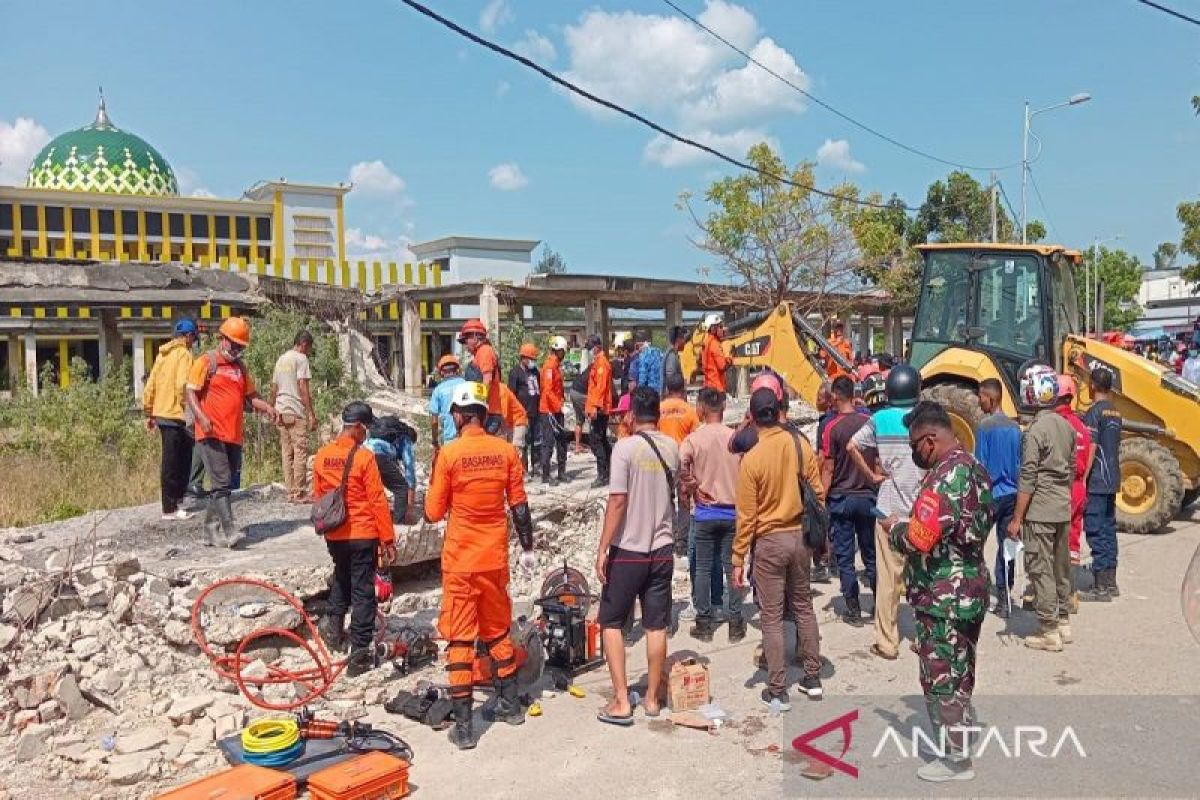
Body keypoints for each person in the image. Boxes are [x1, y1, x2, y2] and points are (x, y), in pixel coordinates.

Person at [424, 381, 536, 749]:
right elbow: (519, 506)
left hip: (461, 562)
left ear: (458, 414)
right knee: (498, 632)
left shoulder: (450, 454)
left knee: (460, 638)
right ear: (484, 415)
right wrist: (528, 547)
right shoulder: (505, 451)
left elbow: (433, 511)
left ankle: (466, 727)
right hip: (494, 559)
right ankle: (509, 705)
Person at [886, 401, 992, 783]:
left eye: (916, 444)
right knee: (961, 671)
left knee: (941, 675)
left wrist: (895, 529)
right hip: (971, 588)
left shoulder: (946, 477)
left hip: (944, 594)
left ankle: (954, 759)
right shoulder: (976, 468)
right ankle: (958, 743)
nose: (915, 452)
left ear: (930, 440)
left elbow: (919, 538)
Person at [734, 387, 826, 709]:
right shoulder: (800, 445)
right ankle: (812, 678)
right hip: (800, 538)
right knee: (803, 606)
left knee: (771, 617)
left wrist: (737, 558)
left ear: (752, 417)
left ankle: (777, 689)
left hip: (769, 542)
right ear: (778, 411)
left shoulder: (752, 459)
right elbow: (818, 491)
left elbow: (746, 516)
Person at [594, 387, 679, 725]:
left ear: (630, 416)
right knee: (656, 624)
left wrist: (603, 547)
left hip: (629, 550)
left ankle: (620, 700)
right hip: (662, 549)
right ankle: (653, 699)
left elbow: (617, 501)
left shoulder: (624, 450)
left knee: (611, 622)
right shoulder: (673, 447)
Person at [846, 364, 925, 660]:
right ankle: (925, 638)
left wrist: (870, 476)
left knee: (889, 580)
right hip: (921, 511)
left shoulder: (879, 419)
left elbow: (852, 446)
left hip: (889, 508)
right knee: (923, 577)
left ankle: (887, 642)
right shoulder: (926, 416)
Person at [313, 402, 396, 675]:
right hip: (362, 534)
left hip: (334, 533)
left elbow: (319, 496)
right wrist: (388, 539)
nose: (367, 435)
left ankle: (333, 628)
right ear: (359, 427)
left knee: (342, 576)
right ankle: (359, 654)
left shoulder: (323, 455)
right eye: (366, 429)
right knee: (363, 592)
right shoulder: (364, 458)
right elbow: (377, 500)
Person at [186, 317, 278, 548]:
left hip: (233, 434)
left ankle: (209, 530)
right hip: (210, 433)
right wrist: (202, 418)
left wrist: (267, 407)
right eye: (234, 344)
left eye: (241, 346)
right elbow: (190, 393)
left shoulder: (240, 369)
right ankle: (229, 531)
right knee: (222, 481)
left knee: (223, 484)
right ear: (223, 339)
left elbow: (252, 396)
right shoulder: (206, 362)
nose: (237, 349)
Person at [1008, 363, 1076, 651]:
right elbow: (1072, 468)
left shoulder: (1035, 431)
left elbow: (1028, 477)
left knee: (1040, 568)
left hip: (1040, 510)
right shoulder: (1066, 426)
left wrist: (1016, 518)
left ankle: (1048, 630)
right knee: (1061, 567)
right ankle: (1062, 621)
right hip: (1062, 506)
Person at [679, 388, 744, 643]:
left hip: (705, 513)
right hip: (732, 513)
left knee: (703, 568)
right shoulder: (735, 438)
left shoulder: (694, 440)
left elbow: (680, 464)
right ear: (724, 408)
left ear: (701, 409)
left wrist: (692, 485)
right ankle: (736, 622)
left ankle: (704, 623)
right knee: (732, 567)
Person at [821, 375, 878, 626]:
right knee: (871, 553)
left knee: (844, 556)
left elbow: (828, 468)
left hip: (842, 498)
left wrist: (821, 498)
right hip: (867, 497)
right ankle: (880, 603)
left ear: (835, 396)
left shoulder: (831, 428)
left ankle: (853, 609)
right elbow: (877, 460)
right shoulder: (869, 422)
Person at [974, 378, 1022, 617]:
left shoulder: (984, 427)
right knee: (1008, 547)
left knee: (975, 545)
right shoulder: (1016, 428)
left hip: (990, 496)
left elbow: (980, 465)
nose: (978, 400)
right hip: (1013, 495)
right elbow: (1021, 466)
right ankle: (1005, 598)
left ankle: (977, 592)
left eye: (980, 396)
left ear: (990, 397)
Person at [143, 319, 199, 520]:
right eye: (194, 338)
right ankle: (171, 507)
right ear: (189, 336)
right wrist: (189, 410)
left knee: (170, 460)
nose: (193, 342)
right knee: (179, 461)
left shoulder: (162, 355)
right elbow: (182, 385)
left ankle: (174, 502)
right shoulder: (184, 354)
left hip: (162, 413)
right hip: (176, 414)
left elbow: (151, 386)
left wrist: (149, 412)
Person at [1080, 368, 1122, 601]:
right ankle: (1111, 582)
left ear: (1093, 385)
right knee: (1109, 529)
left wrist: (1083, 478)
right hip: (1112, 478)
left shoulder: (1094, 413)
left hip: (1097, 480)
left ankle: (1101, 587)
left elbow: (1092, 447)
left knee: (1096, 531)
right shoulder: (1115, 412)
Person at [271, 330, 318, 503]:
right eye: (309, 348)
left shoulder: (281, 359)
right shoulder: (301, 359)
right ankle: (299, 492)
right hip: (296, 411)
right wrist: (311, 414)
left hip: (281, 410)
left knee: (286, 452)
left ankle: (290, 491)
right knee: (300, 451)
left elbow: (274, 387)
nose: (308, 352)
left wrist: (271, 408)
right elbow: (302, 386)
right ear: (304, 344)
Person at [1054, 376, 1093, 567]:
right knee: (1073, 538)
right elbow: (1088, 454)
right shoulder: (1081, 426)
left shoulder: (1055, 424)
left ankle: (1053, 587)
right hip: (1078, 486)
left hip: (1060, 487)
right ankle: (1072, 587)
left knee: (1053, 540)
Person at [363, 415, 417, 524]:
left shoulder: (388, 434)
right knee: (401, 488)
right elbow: (409, 470)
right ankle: (399, 524)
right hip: (378, 456)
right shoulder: (406, 439)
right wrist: (410, 508)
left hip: (362, 453)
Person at [458, 319, 503, 433]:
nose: (465, 344)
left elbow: (486, 380)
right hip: (484, 410)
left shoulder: (484, 351)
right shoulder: (479, 353)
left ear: (475, 336)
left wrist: (479, 405)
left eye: (466, 340)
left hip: (488, 411)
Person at [539, 336, 569, 485]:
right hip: (549, 410)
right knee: (548, 442)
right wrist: (559, 406)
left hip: (557, 409)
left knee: (562, 441)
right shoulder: (550, 367)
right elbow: (548, 391)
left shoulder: (556, 366)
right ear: (559, 351)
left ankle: (561, 473)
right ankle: (546, 475)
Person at [585, 335, 614, 488]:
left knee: (597, 441)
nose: (589, 351)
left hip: (601, 409)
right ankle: (607, 472)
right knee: (601, 440)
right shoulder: (597, 363)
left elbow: (601, 388)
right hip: (598, 407)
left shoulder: (602, 363)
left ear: (596, 347)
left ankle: (603, 475)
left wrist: (595, 407)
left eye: (590, 348)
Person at [508, 343, 541, 471]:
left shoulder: (535, 372)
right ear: (523, 358)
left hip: (535, 412)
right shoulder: (515, 373)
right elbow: (511, 394)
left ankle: (537, 466)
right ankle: (524, 468)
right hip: (522, 415)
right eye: (531, 359)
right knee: (523, 443)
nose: (533, 361)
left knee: (536, 441)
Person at [429, 354, 465, 455]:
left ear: (441, 372)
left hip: (450, 440)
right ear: (457, 370)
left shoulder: (438, 390)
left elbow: (434, 421)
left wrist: (435, 441)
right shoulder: (466, 384)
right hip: (466, 437)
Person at [658, 373, 700, 445]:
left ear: (667, 390)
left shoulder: (658, 409)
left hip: (663, 452)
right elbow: (696, 437)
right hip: (682, 453)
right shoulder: (690, 410)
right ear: (683, 389)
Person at [700, 314, 732, 392]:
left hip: (708, 384)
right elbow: (723, 366)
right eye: (720, 327)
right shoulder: (714, 344)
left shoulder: (706, 341)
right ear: (713, 328)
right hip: (716, 387)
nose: (723, 329)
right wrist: (729, 356)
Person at [632, 329, 664, 395]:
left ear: (637, 344)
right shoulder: (658, 351)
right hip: (660, 390)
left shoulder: (644, 355)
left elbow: (642, 378)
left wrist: (638, 393)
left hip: (649, 392)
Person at [569, 361, 591, 455]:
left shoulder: (591, 366)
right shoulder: (599, 369)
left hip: (573, 390)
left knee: (579, 420)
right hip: (581, 393)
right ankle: (596, 444)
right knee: (592, 415)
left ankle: (577, 446)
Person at [661, 325, 687, 397]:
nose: (685, 342)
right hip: (673, 397)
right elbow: (670, 380)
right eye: (683, 339)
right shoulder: (671, 356)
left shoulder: (674, 355)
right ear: (678, 340)